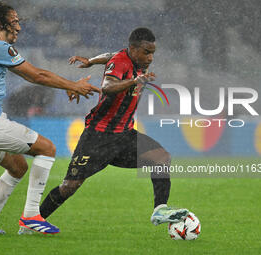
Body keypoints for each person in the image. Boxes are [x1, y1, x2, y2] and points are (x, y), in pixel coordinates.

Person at [0, 2, 100, 235]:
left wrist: (66, 85)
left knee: (18, 167)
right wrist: (72, 84)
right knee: (47, 148)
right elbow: (37, 75)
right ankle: (31, 215)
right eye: (14, 21)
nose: (19, 28)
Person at [40, 27, 189, 229]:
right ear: (133, 49)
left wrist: (91, 60)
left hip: (125, 135)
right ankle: (34, 220)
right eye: (147, 52)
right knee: (70, 186)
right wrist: (134, 81)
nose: (151, 58)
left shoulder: (132, 58)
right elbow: (108, 87)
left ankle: (160, 209)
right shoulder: (122, 63)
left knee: (161, 158)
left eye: (153, 52)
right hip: (98, 136)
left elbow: (109, 55)